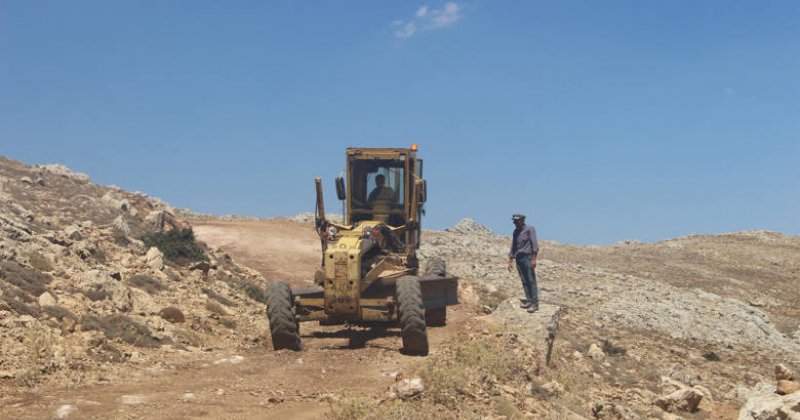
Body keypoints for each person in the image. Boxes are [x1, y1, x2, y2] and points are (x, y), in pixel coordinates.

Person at [507, 214, 539, 312]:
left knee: (530, 280)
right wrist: (510, 260)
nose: (515, 223)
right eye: (514, 221)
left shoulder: (530, 229)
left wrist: (533, 259)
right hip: (519, 258)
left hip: (528, 257)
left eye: (517, 221)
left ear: (522, 220)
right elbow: (514, 246)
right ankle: (528, 300)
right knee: (524, 280)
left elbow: (534, 244)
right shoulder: (516, 232)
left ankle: (534, 303)